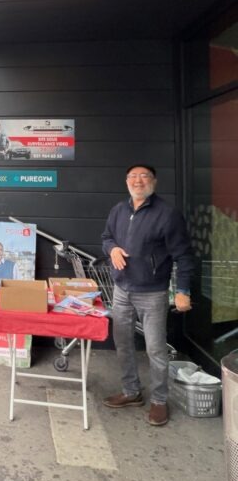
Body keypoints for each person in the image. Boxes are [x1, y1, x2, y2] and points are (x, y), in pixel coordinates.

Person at [101, 164, 193, 427]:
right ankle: (131, 392)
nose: (138, 181)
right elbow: (106, 237)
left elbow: (184, 256)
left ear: (154, 181)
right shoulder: (118, 210)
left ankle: (159, 401)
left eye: (144, 176)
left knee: (155, 349)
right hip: (122, 290)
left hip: (152, 293)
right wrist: (112, 249)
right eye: (132, 176)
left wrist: (183, 291)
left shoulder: (167, 214)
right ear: (126, 181)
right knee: (123, 344)